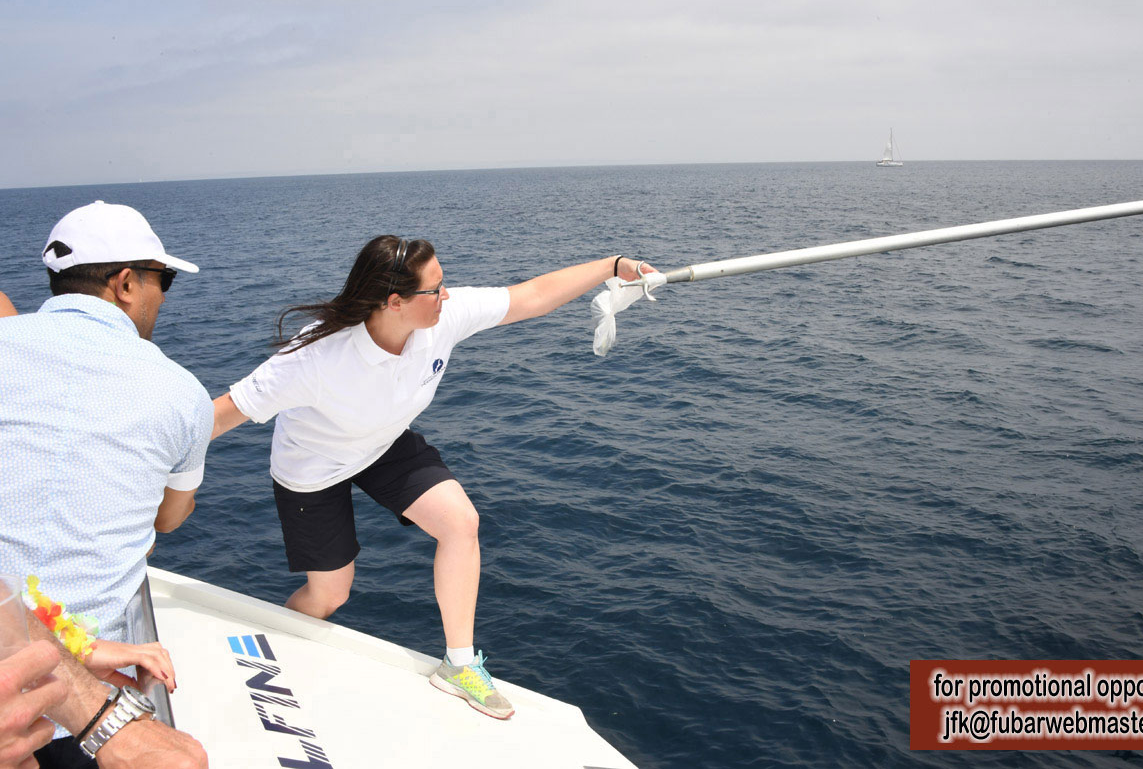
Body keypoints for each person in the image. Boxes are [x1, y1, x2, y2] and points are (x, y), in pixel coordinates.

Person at [212, 236, 653, 720]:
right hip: (313, 465)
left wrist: (613, 265)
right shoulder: (315, 357)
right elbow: (219, 416)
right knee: (330, 594)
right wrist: (158, 480)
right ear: (394, 302)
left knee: (460, 522)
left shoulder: (443, 316)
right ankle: (273, 648)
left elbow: (531, 297)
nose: (447, 296)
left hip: (382, 441)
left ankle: (459, 667)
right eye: (435, 289)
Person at [0, 200, 212, 766]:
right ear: (124, 283)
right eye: (161, 279)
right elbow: (168, 517)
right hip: (80, 714)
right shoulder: (183, 392)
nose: (163, 295)